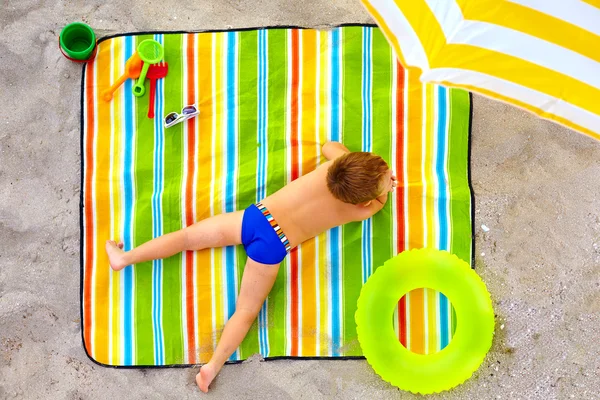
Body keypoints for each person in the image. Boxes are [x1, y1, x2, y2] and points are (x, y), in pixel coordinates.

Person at [105, 141, 396, 393]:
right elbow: (379, 201)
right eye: (386, 175)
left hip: (256, 218)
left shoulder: (330, 166)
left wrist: (353, 160)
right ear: (365, 199)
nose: (388, 176)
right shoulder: (362, 208)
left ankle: (125, 258)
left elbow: (329, 146)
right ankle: (211, 367)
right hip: (274, 245)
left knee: (187, 238)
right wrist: (383, 189)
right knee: (245, 312)